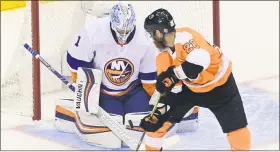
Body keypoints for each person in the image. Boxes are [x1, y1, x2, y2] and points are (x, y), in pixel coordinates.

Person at [140, 8, 251, 151]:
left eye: (151, 34)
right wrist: (157, 113)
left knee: (237, 129)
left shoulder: (186, 37)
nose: (151, 38)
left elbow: (200, 61)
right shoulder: (162, 55)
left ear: (158, 32)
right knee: (157, 124)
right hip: (191, 89)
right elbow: (172, 90)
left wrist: (174, 75)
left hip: (221, 87)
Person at [53, 3, 158, 148]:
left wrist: (158, 102)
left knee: (138, 124)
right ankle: (73, 114)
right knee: (110, 131)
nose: (124, 34)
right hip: (103, 91)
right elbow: (75, 61)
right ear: (112, 23)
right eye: (120, 29)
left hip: (133, 89)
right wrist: (84, 91)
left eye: (127, 29)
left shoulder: (145, 39)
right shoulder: (93, 31)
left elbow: (149, 80)